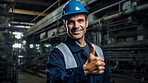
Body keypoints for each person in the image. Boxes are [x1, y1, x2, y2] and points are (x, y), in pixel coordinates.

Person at [46, 0, 111, 83]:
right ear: (65, 26)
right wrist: (83, 71)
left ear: (86, 23)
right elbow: (52, 81)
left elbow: (106, 80)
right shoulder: (57, 53)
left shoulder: (98, 51)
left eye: (80, 20)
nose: (76, 26)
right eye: (71, 22)